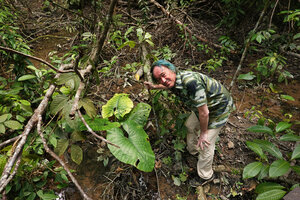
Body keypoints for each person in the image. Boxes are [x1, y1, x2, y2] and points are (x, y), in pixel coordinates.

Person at [144, 59, 235, 186]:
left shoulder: (190, 82)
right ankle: (193, 152)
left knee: (206, 143)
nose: (163, 81)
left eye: (163, 75)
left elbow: (205, 113)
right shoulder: (174, 81)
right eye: (159, 79)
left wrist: (203, 133)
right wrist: (154, 86)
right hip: (204, 107)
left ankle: (205, 175)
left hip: (219, 108)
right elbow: (166, 84)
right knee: (190, 125)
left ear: (172, 69)